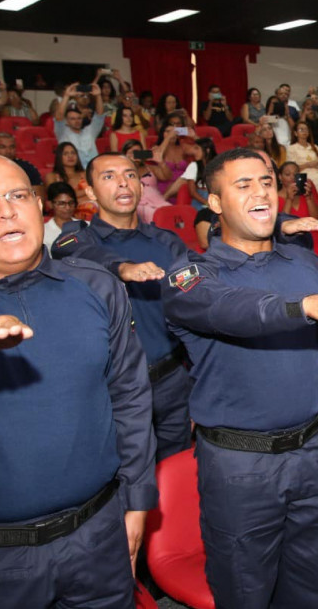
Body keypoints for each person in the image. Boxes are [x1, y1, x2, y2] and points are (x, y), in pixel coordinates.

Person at [163, 147, 318, 608]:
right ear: (215, 202)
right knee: (246, 588)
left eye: (266, 181)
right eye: (242, 185)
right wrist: (300, 308)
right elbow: (234, 312)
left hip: (316, 451)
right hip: (241, 466)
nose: (261, 191)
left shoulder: (306, 265)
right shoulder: (191, 276)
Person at [0, 154, 156, 609]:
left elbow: (129, 397)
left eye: (18, 195)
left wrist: (137, 499)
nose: (7, 210)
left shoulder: (96, 286)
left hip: (100, 536)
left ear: (39, 206)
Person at [51, 153, 194, 459]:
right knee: (126, 482)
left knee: (175, 476)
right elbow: (67, 253)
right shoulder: (76, 239)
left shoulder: (167, 242)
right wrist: (122, 268)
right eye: (108, 176)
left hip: (172, 382)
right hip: (116, 390)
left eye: (130, 175)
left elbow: (195, 300)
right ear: (89, 191)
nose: (122, 183)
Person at [53, 84, 106, 166]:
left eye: (79, 118)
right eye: (72, 119)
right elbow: (59, 117)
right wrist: (67, 96)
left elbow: (99, 116)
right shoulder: (62, 133)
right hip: (74, 173)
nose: (76, 121)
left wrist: (98, 96)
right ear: (67, 121)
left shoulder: (90, 131)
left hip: (94, 171)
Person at [0, 131, 45, 199]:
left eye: (12, 147)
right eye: (2, 147)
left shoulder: (27, 168)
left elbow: (38, 197)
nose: (8, 151)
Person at [287, 121, 318, 204]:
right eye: (301, 130)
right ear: (295, 133)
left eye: (306, 130)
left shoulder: (315, 147)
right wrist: (308, 165)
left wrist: (317, 164)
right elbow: (291, 168)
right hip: (303, 173)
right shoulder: (292, 148)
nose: (304, 132)